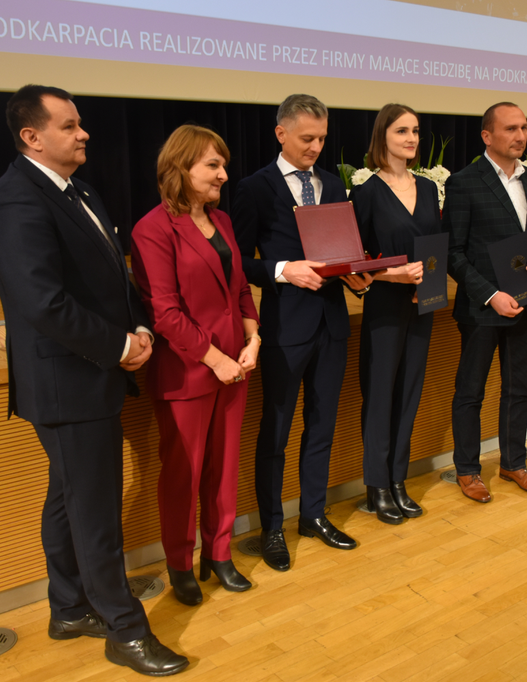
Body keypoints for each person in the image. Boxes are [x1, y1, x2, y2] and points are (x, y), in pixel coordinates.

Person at [0, 85, 187, 677]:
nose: (84, 133)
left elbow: (114, 279)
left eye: (80, 123)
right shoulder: (14, 199)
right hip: (66, 382)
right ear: (32, 137)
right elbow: (43, 302)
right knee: (95, 512)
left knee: (68, 497)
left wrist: (138, 326)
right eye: (69, 125)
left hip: (91, 374)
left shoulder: (80, 190)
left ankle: (69, 609)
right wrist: (120, 347)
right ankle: (125, 631)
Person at [232, 94, 372, 571]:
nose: (315, 147)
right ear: (281, 133)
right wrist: (281, 269)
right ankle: (272, 527)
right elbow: (238, 262)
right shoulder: (254, 188)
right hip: (284, 327)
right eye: (307, 138)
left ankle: (313, 514)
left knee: (322, 425)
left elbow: (339, 252)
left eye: (322, 139)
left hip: (332, 324)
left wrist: (356, 274)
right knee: (275, 432)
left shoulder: (332, 184)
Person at [130, 125, 260, 607]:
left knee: (224, 469)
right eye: (213, 165)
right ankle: (181, 564)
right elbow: (164, 313)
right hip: (189, 370)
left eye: (224, 165)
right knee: (183, 476)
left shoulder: (222, 220)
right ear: (180, 168)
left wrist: (253, 338)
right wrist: (217, 359)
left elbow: (240, 288)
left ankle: (219, 554)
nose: (224, 174)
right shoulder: (152, 228)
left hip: (235, 365)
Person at [445, 102, 527, 501]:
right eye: (511, 128)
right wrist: (491, 295)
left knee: (518, 390)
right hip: (483, 308)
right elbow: (453, 253)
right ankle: (468, 470)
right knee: (470, 393)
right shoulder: (464, 182)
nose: (520, 135)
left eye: (524, 128)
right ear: (487, 136)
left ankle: (513, 463)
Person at [351, 104, 441, 524]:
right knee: (380, 395)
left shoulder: (429, 189)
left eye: (416, 131)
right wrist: (392, 275)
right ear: (382, 136)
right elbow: (354, 263)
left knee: (408, 394)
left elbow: (436, 246)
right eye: (402, 130)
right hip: (384, 306)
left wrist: (429, 282)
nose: (411, 138)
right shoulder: (366, 192)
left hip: (424, 304)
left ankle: (398, 480)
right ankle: (377, 486)